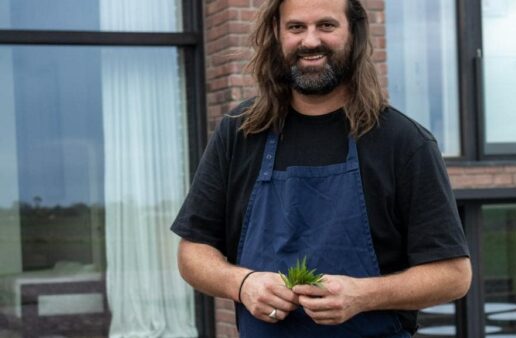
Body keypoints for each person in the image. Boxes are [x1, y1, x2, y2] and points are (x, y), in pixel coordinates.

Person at [171, 0, 472, 337]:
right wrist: (242, 283)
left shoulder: (403, 142)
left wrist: (362, 295)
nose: (310, 41)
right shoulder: (241, 132)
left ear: (354, 33)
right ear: (277, 33)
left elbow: (454, 275)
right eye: (296, 27)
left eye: (326, 26)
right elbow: (192, 252)